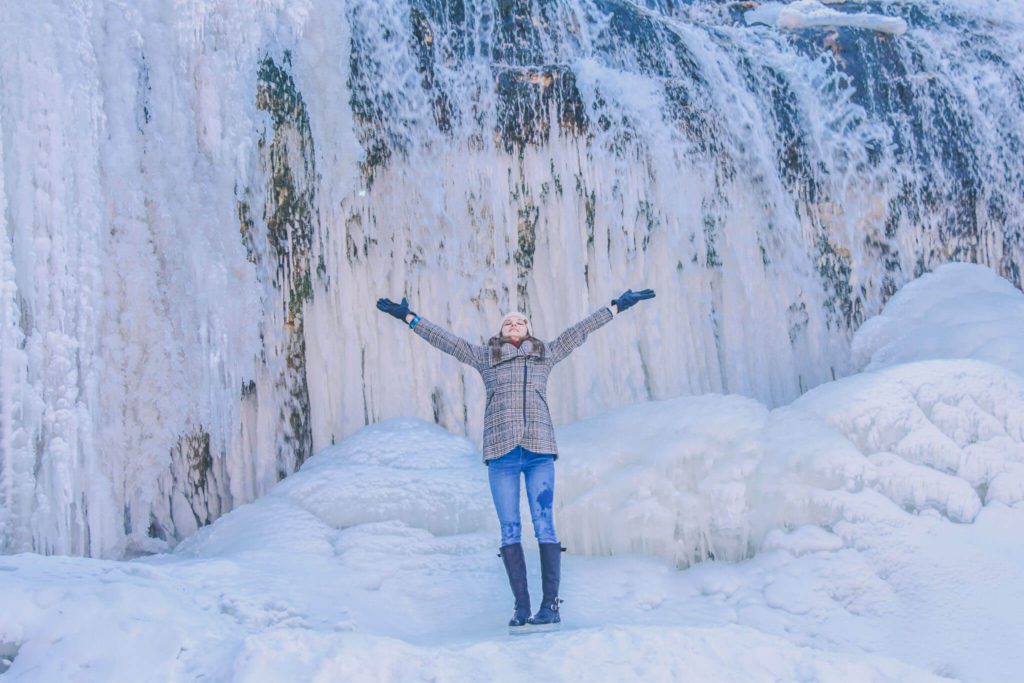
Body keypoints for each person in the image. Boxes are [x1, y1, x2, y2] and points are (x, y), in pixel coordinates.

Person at [375, 288, 655, 633]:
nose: (515, 324)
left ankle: (549, 606)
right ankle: (522, 607)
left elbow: (580, 331)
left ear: (529, 329)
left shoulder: (546, 354)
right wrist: (408, 317)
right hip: (501, 453)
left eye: (521, 321)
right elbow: (445, 341)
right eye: (509, 321)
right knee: (509, 528)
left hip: (538, 450)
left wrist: (615, 308)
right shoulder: (484, 357)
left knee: (544, 524)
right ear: (501, 330)